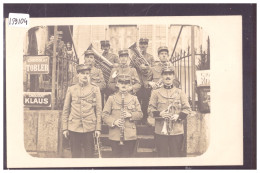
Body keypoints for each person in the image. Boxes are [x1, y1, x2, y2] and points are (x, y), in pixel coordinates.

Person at [148, 64, 191, 157]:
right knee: (162, 156)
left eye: (170, 74)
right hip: (160, 130)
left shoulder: (180, 92)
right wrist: (160, 114)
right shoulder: (155, 92)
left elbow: (187, 109)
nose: (168, 76)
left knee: (176, 156)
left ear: (173, 76)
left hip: (176, 131)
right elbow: (150, 109)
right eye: (165, 74)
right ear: (162, 76)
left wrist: (178, 116)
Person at [62, 64, 102, 158]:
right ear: (78, 75)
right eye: (82, 73)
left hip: (89, 127)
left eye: (87, 74)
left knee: (89, 154)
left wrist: (98, 128)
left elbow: (99, 110)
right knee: (75, 154)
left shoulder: (95, 89)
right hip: (74, 126)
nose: (85, 75)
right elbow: (66, 109)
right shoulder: (71, 89)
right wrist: (65, 128)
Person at [102, 74, 143, 158]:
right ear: (117, 84)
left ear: (129, 85)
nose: (124, 85)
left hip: (130, 135)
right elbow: (104, 115)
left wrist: (130, 115)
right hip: (115, 135)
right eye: (121, 82)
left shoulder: (134, 98)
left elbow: (140, 114)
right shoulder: (111, 98)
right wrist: (114, 122)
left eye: (126, 83)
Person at [133, 38, 154, 124]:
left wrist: (147, 67)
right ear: (139, 45)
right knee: (137, 101)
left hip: (146, 82)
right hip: (138, 81)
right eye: (141, 44)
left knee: (146, 101)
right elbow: (131, 67)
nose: (143, 46)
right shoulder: (134, 56)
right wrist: (137, 65)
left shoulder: (150, 57)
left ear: (147, 45)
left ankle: (144, 118)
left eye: (145, 44)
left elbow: (153, 68)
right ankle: (138, 118)